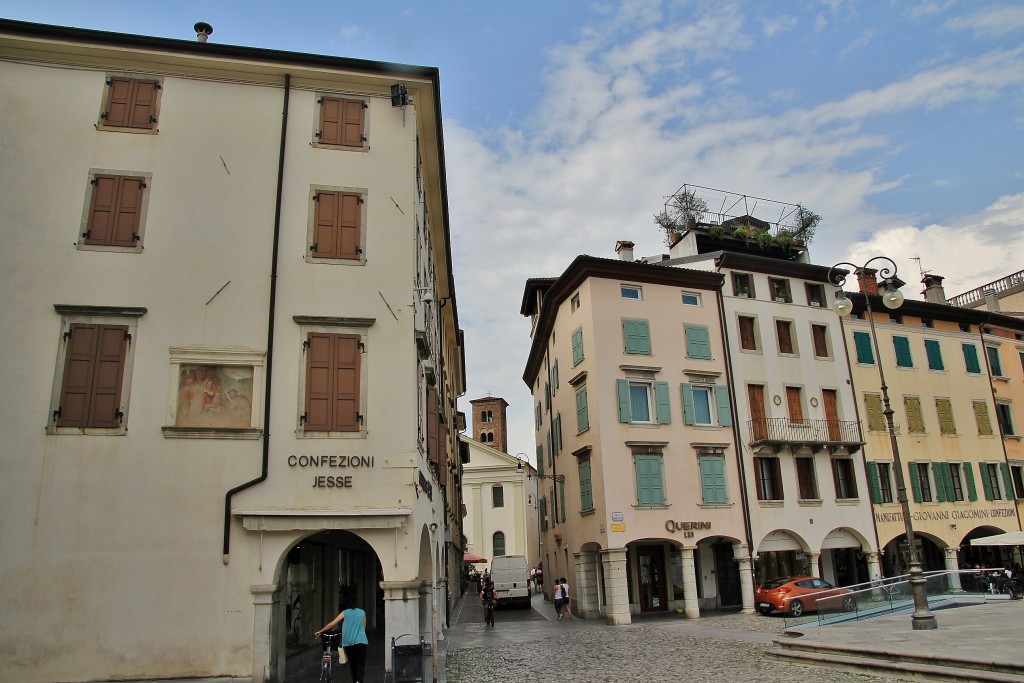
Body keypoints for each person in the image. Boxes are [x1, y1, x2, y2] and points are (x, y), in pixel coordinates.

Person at [315, 600, 369, 683]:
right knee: (360, 663)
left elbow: (332, 624)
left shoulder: (345, 612)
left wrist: (321, 631)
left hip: (349, 642)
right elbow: (364, 627)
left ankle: (355, 681)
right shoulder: (362, 612)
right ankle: (359, 681)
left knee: (353, 663)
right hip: (362, 641)